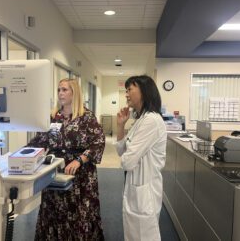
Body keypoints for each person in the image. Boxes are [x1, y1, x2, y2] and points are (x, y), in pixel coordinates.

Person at [28, 78, 105, 241]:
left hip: (80, 175)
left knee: (79, 214)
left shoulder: (86, 117)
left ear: (74, 93)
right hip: (55, 171)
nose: (60, 93)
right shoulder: (53, 117)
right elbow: (41, 140)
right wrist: (22, 154)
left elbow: (98, 142)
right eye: (58, 90)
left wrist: (79, 160)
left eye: (64, 90)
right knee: (54, 211)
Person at [115, 75, 167, 241]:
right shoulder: (140, 120)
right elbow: (121, 151)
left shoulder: (151, 121)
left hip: (145, 189)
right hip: (135, 185)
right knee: (134, 233)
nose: (127, 94)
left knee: (144, 235)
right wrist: (121, 125)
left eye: (130, 89)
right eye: (126, 90)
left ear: (144, 92)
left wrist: (127, 157)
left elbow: (127, 161)